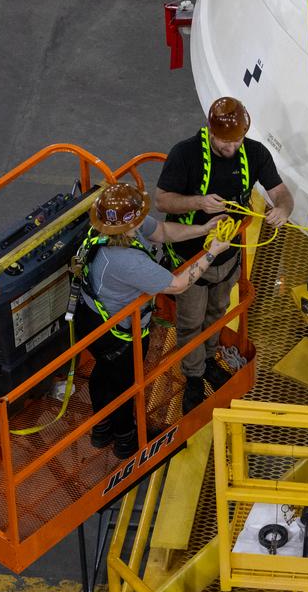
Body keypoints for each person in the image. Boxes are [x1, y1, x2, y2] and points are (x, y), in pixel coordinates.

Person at [75, 181, 234, 459]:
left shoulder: (111, 230)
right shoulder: (126, 261)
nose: (142, 221)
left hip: (92, 318)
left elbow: (161, 231)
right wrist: (213, 252)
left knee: (104, 372)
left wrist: (203, 229)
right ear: (127, 225)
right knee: (126, 385)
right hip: (116, 334)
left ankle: (101, 429)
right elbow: (178, 284)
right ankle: (125, 440)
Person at [156, 97, 294, 412]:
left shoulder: (255, 153)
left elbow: (279, 192)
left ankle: (208, 358)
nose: (232, 148)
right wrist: (199, 203)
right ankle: (193, 376)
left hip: (227, 258)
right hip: (191, 260)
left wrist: (283, 209)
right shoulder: (185, 155)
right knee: (191, 322)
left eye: (237, 141)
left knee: (217, 312)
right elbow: (163, 201)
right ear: (210, 131)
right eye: (224, 142)